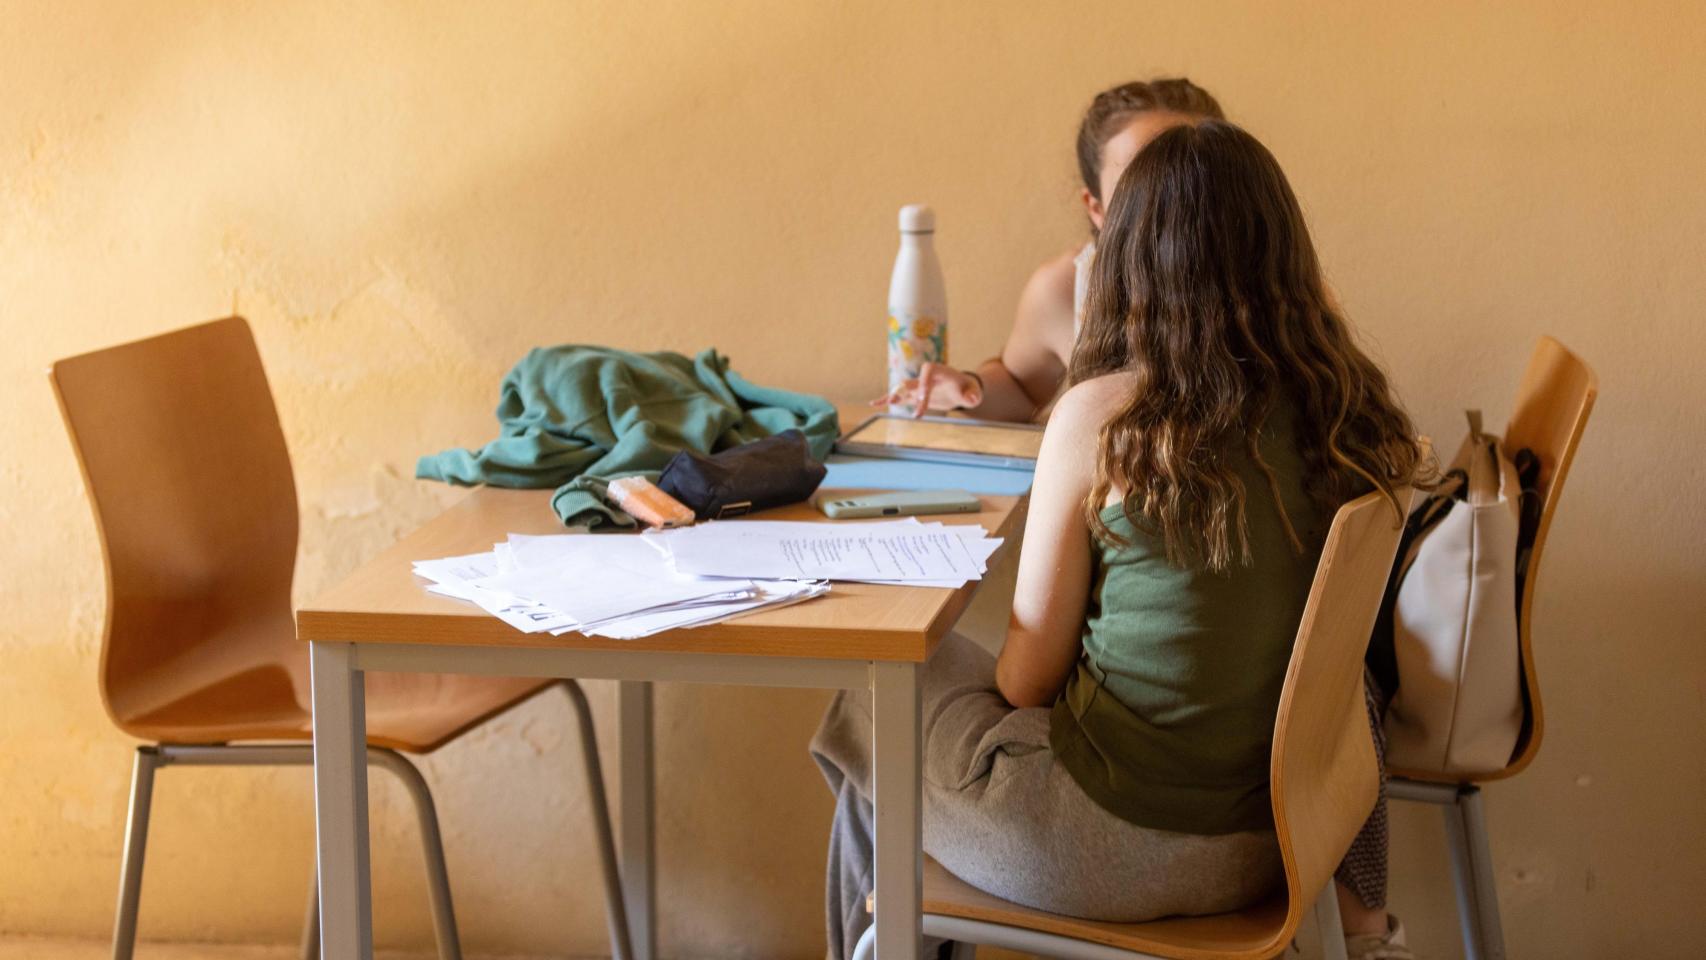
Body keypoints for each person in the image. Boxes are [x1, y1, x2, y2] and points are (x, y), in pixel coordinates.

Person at [815, 120, 1425, 960]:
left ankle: (890, 938)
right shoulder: (1348, 415)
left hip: (1101, 849)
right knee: (913, 697)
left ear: (1129, 257)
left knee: (875, 690)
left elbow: (1025, 682)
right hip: (1273, 847)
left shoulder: (1105, 418)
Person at [876, 78, 1223, 419]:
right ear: (1096, 207)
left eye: (1194, 179)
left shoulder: (1266, 277)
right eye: (1137, 186)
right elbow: (1020, 387)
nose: (1171, 203)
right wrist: (969, 388)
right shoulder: (1067, 287)